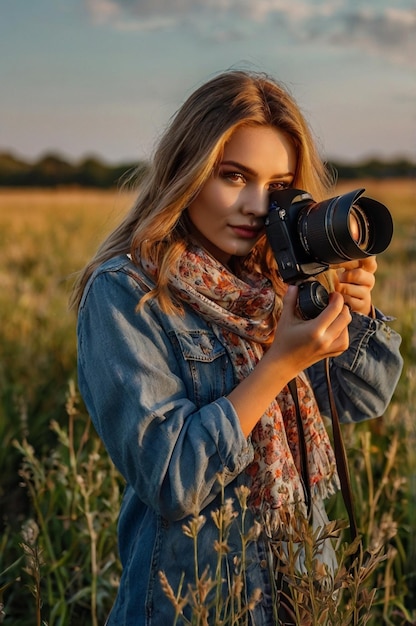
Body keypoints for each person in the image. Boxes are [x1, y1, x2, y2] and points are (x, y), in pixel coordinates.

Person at [71, 70, 403, 625]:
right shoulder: (126, 294)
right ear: (188, 172)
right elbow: (172, 478)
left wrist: (354, 314)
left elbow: (359, 401)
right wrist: (280, 364)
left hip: (301, 587)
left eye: (277, 187)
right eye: (233, 176)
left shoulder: (274, 282)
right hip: (195, 600)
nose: (255, 205)